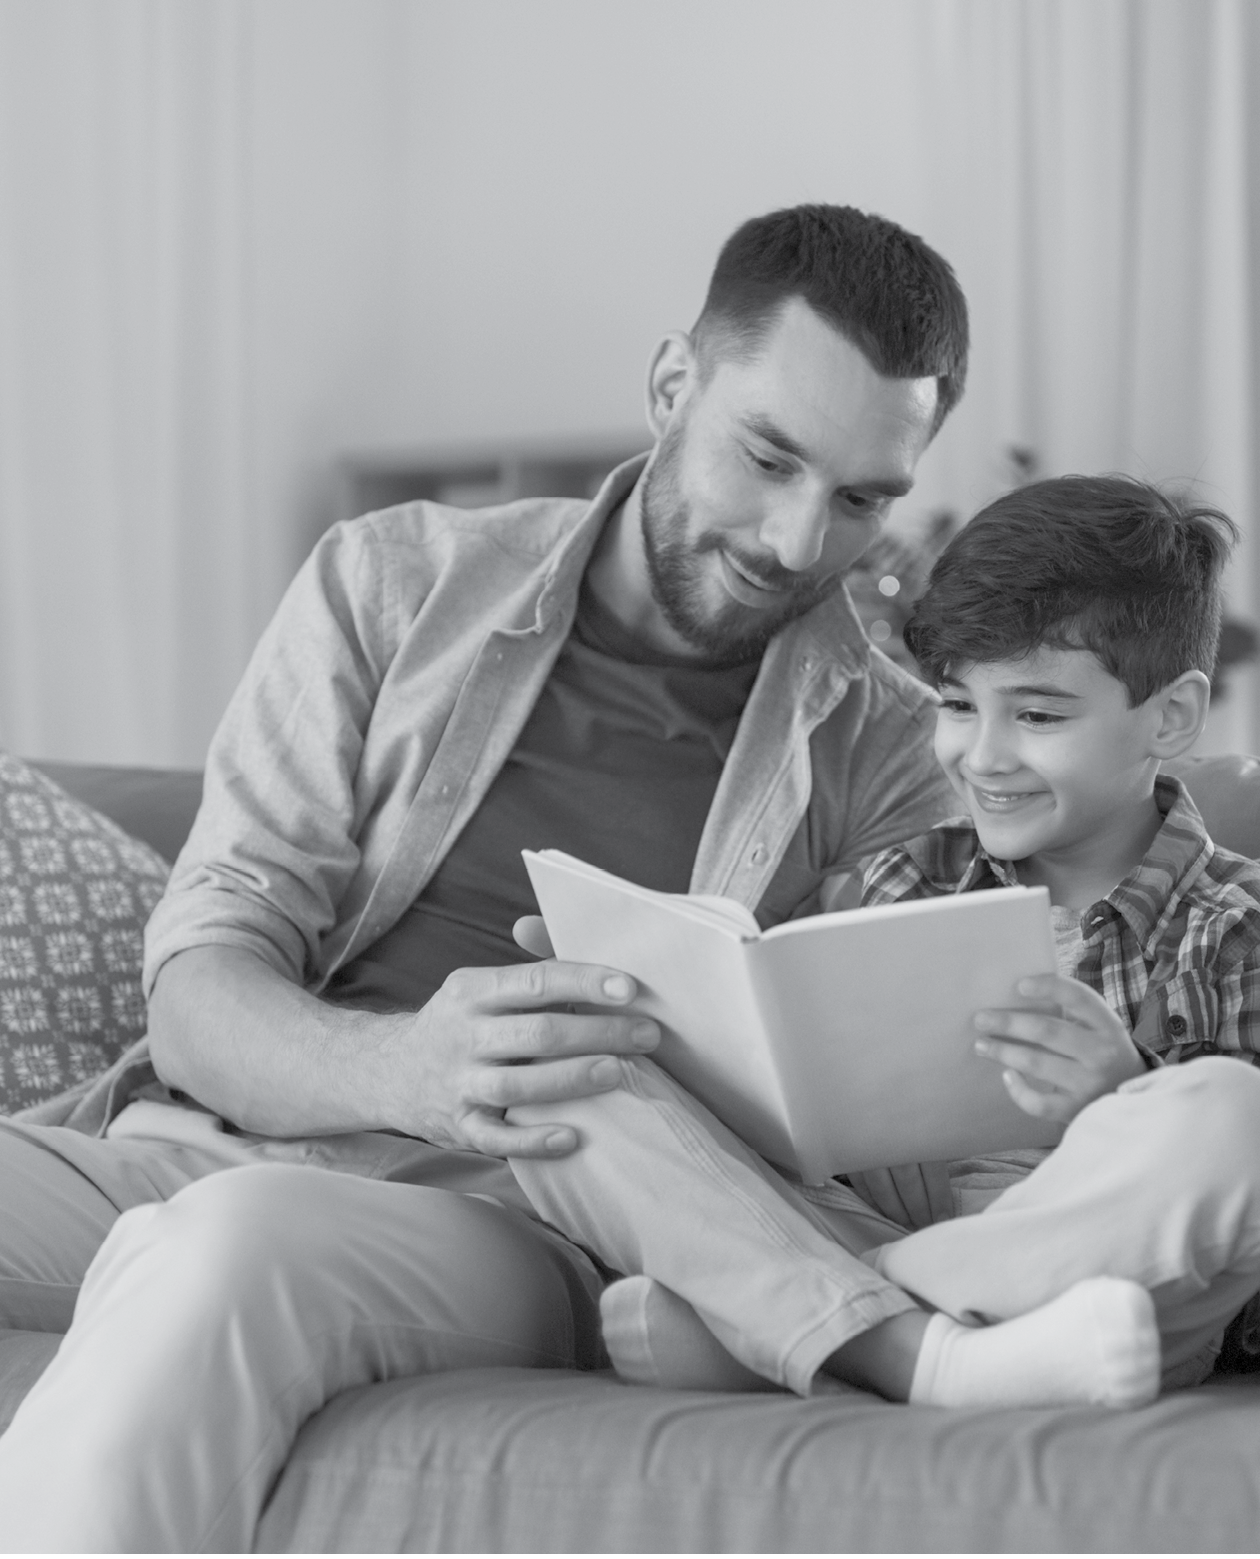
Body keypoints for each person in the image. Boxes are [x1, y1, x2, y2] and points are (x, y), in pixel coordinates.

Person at [0, 203, 969, 1551]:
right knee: (212, 1217)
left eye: (862, 498)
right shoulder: (393, 585)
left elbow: (893, 1128)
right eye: (768, 459)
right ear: (670, 386)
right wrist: (406, 1068)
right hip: (189, 1140)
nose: (799, 543)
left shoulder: (893, 740)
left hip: (515, 1219)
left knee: (226, 1255)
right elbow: (203, 986)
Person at [507, 474, 1260, 1415]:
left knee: (1234, 1112)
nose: (982, 757)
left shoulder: (1236, 927)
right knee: (558, 1070)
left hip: (1112, 1280)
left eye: (1036, 715)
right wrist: (641, 1002)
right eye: (955, 706)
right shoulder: (900, 879)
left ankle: (799, 1317)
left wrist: (1119, 1095)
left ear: (1173, 718)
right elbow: (788, 1113)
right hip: (882, 1205)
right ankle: (919, 1353)